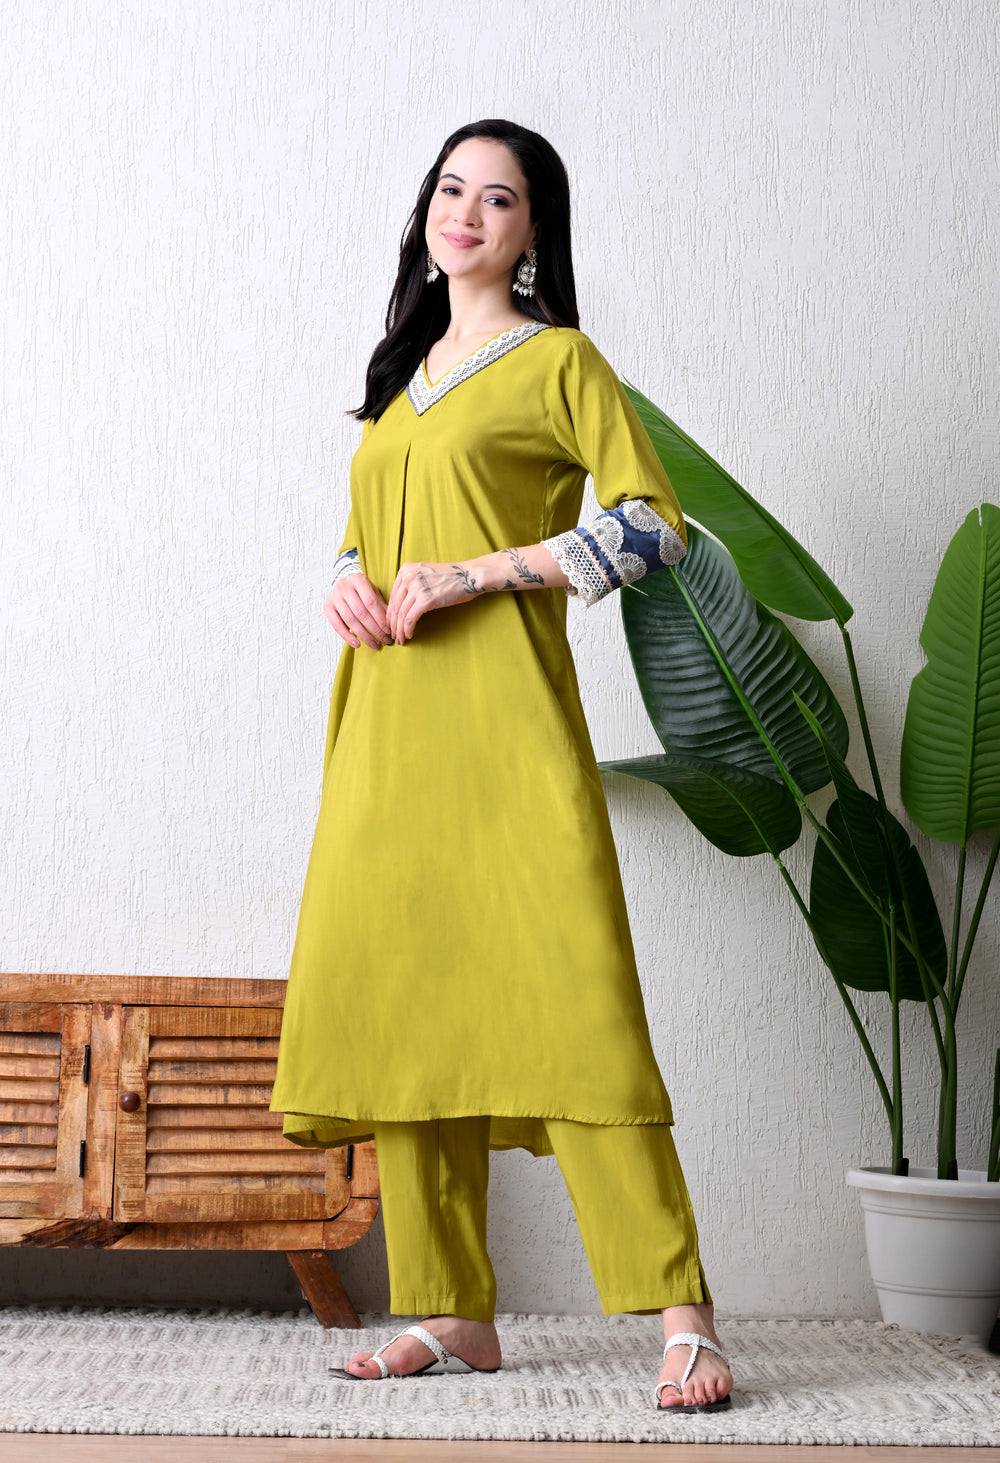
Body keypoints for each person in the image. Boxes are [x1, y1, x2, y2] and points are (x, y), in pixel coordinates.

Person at [269, 118, 734, 1413]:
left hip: (507, 721)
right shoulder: (401, 375)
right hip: (385, 726)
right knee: (408, 1002)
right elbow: (368, 531)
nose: (466, 212)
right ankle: (449, 1312)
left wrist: (480, 574)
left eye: (499, 198)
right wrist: (346, 581)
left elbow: (653, 526)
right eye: (450, 189)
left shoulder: (560, 360)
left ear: (534, 232)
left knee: (575, 1003)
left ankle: (684, 1317)